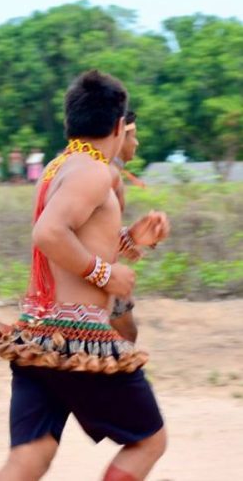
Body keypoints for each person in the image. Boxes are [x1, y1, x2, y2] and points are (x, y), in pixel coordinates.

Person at [0, 70, 169, 481]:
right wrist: (107, 275)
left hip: (39, 339)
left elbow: (76, 236)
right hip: (79, 344)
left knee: (30, 457)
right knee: (149, 441)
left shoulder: (62, 166)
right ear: (118, 125)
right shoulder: (93, 172)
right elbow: (49, 232)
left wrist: (129, 239)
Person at [109, 110, 143, 343]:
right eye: (134, 136)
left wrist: (128, 237)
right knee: (127, 335)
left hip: (100, 274)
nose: (137, 142)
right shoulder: (107, 176)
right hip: (99, 278)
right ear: (120, 135)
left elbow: (99, 228)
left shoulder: (107, 173)